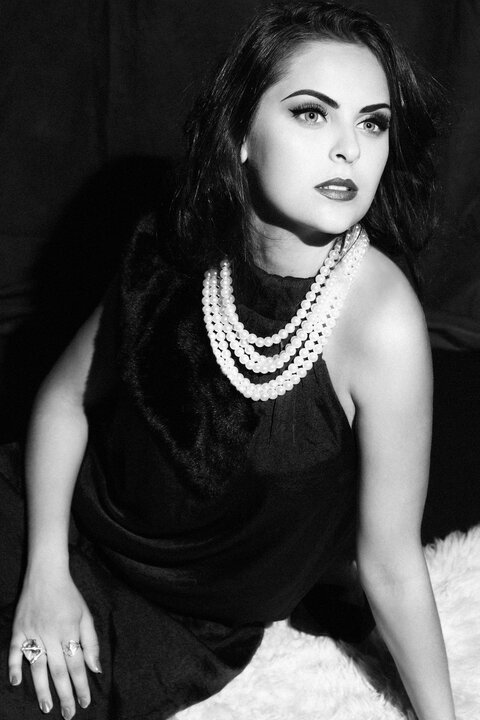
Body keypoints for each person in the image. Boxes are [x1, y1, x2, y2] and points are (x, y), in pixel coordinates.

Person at [0, 1, 457, 719]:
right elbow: (64, 403)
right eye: (312, 113)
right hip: (55, 519)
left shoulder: (380, 320)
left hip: (176, 619)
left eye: (373, 123)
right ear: (241, 133)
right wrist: (46, 572)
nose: (350, 149)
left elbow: (393, 565)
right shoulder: (176, 246)